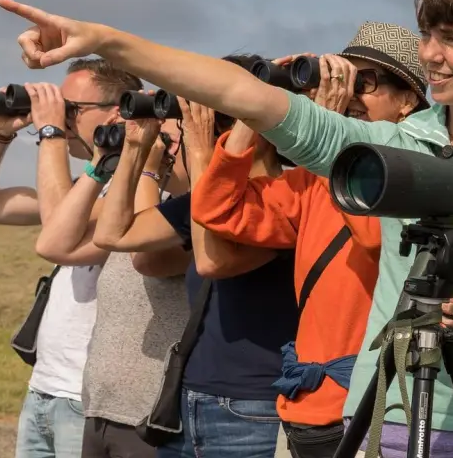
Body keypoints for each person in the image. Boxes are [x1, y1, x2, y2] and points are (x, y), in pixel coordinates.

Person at [0, 0, 453, 456]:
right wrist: (107, 41)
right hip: (387, 423)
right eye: (427, 36)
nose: (432, 55)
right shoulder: (389, 147)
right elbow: (243, 93)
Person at [189, 23, 429, 458]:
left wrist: (328, 136)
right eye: (342, 79)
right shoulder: (308, 183)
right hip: (303, 403)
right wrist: (253, 108)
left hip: (368, 409)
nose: (350, 94)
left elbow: (374, 239)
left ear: (407, 101)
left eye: (365, 82)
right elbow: (217, 209)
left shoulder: (419, 175)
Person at [0, 59, 183, 458]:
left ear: (118, 111)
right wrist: (0, 133)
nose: (61, 116)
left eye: (71, 108)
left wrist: (50, 134)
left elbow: (58, 229)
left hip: (87, 397)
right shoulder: (91, 186)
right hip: (45, 388)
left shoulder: (146, 195)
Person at [90, 54, 300, 458]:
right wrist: (136, 147)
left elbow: (211, 260)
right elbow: (113, 234)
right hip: (190, 400)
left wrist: (203, 153)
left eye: (219, 118)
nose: (207, 130)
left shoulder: (289, 197)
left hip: (256, 406)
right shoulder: (203, 199)